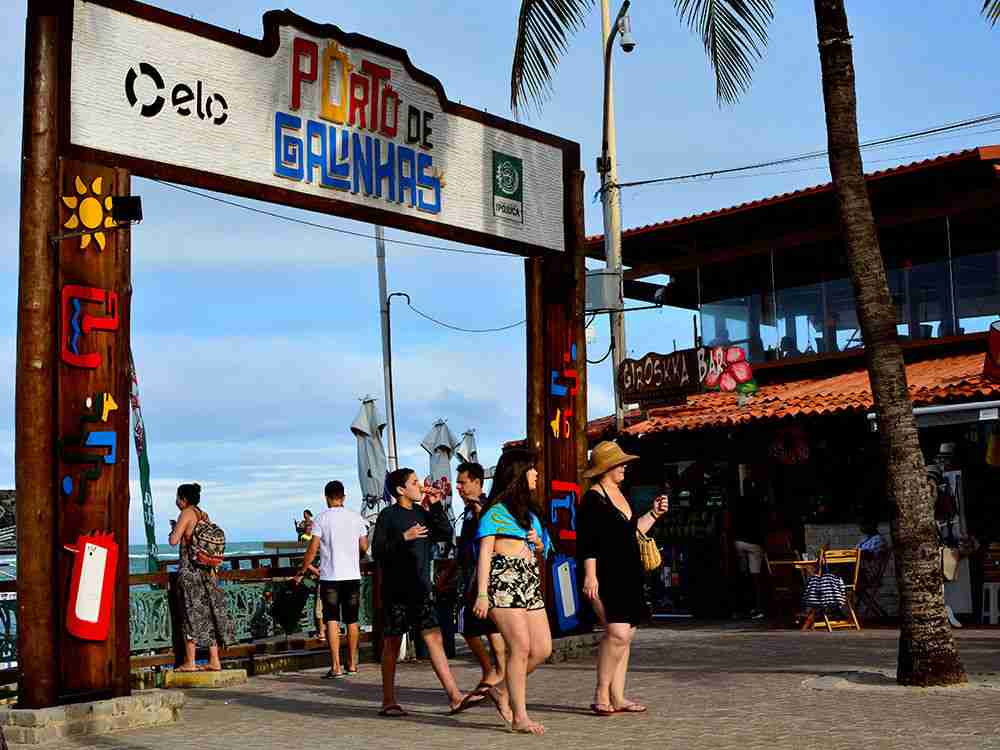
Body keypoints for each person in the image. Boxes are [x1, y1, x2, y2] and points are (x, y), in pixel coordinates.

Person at [370, 468, 474, 717]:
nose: (420, 486)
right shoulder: (388, 516)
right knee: (392, 645)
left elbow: (445, 534)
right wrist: (404, 537)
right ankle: (388, 700)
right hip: (396, 593)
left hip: (421, 590)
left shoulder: (421, 513)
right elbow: (378, 551)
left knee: (435, 641)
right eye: (414, 482)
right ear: (401, 490)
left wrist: (436, 507)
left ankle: (454, 696)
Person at [578, 441, 668, 717]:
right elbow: (588, 543)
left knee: (626, 634)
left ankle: (617, 696)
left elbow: (631, 533)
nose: (625, 467)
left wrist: (654, 513)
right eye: (620, 464)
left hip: (630, 572)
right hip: (606, 574)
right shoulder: (593, 498)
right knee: (616, 633)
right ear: (606, 468)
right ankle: (601, 693)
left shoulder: (620, 493)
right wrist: (590, 576)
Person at [473, 448, 552, 735]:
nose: (536, 474)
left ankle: (502, 692)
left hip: (529, 581)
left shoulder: (531, 513)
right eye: (532, 469)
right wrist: (482, 594)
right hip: (504, 582)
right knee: (520, 648)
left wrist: (538, 542)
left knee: (542, 648)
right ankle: (520, 717)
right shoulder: (495, 512)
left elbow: (542, 550)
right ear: (518, 474)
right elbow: (484, 553)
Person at [295, 481, 368, 678]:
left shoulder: (321, 519)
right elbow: (364, 546)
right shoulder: (356, 518)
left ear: (326, 497)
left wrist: (302, 570)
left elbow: (312, 549)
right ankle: (352, 663)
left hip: (330, 577)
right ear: (343, 497)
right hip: (352, 576)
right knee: (352, 621)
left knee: (332, 620)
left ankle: (335, 666)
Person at [168, 482, 235, 672]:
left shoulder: (186, 513)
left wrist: (174, 529)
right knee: (209, 615)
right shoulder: (202, 514)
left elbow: (174, 541)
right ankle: (214, 660)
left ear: (183, 499)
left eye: (177, 497)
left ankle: (190, 662)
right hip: (206, 572)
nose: (176, 501)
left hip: (190, 573)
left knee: (190, 615)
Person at [455, 460, 506, 696]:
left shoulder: (486, 507)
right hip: (470, 575)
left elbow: (490, 539)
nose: (459, 487)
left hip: (481, 578)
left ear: (477, 482)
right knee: (489, 628)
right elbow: (464, 546)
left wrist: (478, 513)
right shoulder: (467, 509)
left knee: (469, 626)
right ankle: (497, 675)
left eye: (462, 482)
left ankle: (492, 673)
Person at [730, 492, 765, 620]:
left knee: (742, 575)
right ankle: (758, 608)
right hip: (754, 544)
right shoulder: (758, 512)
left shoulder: (736, 511)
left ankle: (742, 608)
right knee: (755, 577)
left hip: (739, 542)